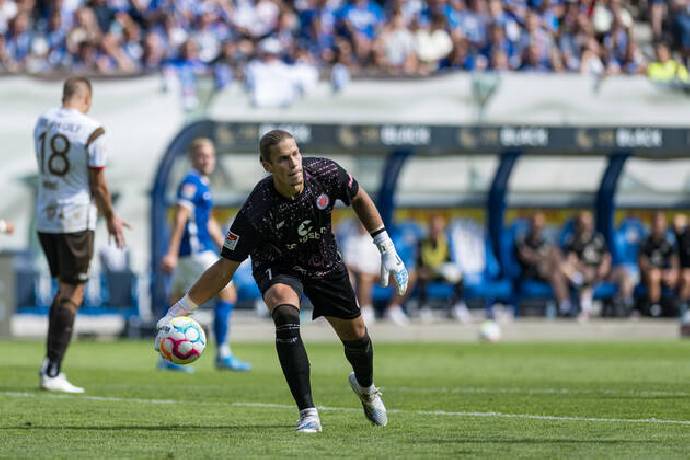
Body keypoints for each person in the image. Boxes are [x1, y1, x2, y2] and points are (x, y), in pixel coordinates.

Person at [155, 129, 408, 433]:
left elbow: (359, 198)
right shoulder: (256, 209)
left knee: (356, 336)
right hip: (278, 264)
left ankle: (366, 390)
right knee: (284, 311)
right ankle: (308, 413)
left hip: (324, 261)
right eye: (284, 159)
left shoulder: (325, 172)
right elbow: (224, 268)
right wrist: (179, 309)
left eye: (296, 154)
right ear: (268, 166)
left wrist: (386, 247)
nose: (294, 163)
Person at [34, 76, 127, 393]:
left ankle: (49, 363)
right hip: (75, 218)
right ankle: (53, 370)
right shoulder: (92, 129)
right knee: (73, 293)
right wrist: (111, 216)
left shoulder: (43, 121)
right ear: (86, 99)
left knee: (63, 290)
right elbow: (98, 183)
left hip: (45, 216)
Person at [159, 138, 250, 373]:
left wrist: (228, 248)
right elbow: (180, 216)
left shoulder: (201, 183)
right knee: (227, 294)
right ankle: (223, 354)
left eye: (209, 155)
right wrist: (169, 252)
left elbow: (208, 222)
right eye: (201, 155)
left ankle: (167, 357)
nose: (206, 159)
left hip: (188, 255)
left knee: (176, 304)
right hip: (196, 252)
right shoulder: (190, 182)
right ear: (192, 158)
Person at [562, 211, 634, 320]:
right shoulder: (573, 240)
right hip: (585, 273)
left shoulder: (598, 238)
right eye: (584, 224)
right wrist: (583, 268)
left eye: (589, 223)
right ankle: (586, 310)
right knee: (583, 275)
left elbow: (606, 256)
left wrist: (604, 267)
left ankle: (626, 305)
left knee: (624, 273)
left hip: (603, 272)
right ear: (578, 225)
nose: (587, 226)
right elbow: (571, 261)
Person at [514, 212, 572, 316]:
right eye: (536, 225)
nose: (538, 228)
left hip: (549, 271)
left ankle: (565, 306)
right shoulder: (523, 239)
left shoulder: (546, 240)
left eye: (541, 226)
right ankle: (574, 279)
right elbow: (527, 257)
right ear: (531, 225)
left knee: (556, 271)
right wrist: (543, 257)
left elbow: (555, 254)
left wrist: (544, 256)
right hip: (531, 272)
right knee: (555, 268)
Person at [415, 214, 469, 323]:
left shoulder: (445, 242)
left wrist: (448, 271)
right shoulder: (422, 242)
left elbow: (448, 260)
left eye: (439, 228)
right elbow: (418, 263)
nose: (437, 230)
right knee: (422, 277)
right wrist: (425, 270)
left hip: (440, 273)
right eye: (434, 227)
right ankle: (423, 307)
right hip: (427, 273)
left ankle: (455, 305)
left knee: (459, 277)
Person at [639, 211, 678, 316]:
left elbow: (674, 261)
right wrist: (659, 272)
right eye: (656, 224)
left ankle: (683, 306)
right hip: (649, 275)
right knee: (654, 275)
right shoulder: (645, 242)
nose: (658, 228)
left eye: (661, 225)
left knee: (687, 276)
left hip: (665, 274)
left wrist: (673, 273)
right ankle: (654, 307)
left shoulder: (669, 242)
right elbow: (643, 263)